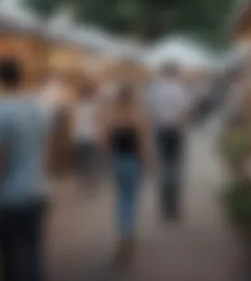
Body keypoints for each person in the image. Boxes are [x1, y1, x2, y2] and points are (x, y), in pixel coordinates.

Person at [0, 58, 50, 281]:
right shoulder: (37, 108)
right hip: (37, 190)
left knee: (8, 261)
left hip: (9, 197)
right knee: (32, 256)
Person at [102, 83, 154, 269]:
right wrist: (147, 163)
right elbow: (143, 143)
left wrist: (108, 161)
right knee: (131, 200)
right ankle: (128, 236)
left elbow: (106, 140)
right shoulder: (139, 115)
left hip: (117, 161)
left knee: (121, 200)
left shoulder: (112, 115)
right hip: (133, 161)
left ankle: (123, 235)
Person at [146, 63, 191, 221]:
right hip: (175, 131)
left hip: (160, 131)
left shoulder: (154, 89)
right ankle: (174, 208)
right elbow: (185, 111)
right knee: (175, 169)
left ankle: (165, 207)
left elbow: (148, 111)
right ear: (175, 72)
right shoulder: (180, 89)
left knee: (163, 168)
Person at [72, 77, 101, 192]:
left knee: (82, 159)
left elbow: (73, 121)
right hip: (92, 136)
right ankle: (90, 180)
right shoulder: (95, 105)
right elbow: (98, 121)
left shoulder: (77, 105)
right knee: (91, 159)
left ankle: (84, 180)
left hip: (80, 135)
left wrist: (72, 135)